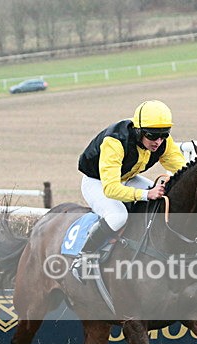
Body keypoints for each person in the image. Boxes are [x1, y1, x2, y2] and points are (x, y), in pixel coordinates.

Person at [71, 100, 187, 281]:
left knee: (159, 199)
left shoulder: (162, 141)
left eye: (164, 135)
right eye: (152, 136)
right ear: (139, 131)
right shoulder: (115, 141)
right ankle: (84, 256)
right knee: (118, 217)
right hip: (98, 182)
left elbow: (183, 170)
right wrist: (145, 194)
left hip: (126, 178)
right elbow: (110, 189)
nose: (158, 142)